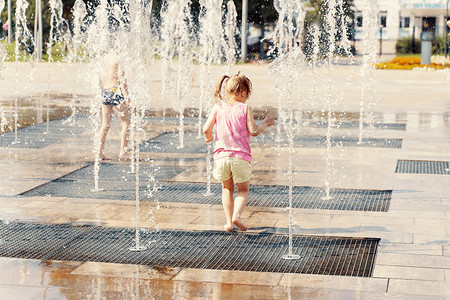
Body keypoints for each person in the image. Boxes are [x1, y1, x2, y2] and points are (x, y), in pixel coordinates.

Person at [203, 72, 275, 232]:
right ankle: (237, 215)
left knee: (227, 189)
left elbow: (206, 129)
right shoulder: (245, 108)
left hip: (221, 157)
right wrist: (264, 123)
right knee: (243, 190)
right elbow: (254, 131)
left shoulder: (217, 107)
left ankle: (229, 222)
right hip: (240, 158)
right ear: (243, 93)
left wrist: (209, 138)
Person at [98, 51, 130, 161]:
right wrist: (126, 95)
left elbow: (99, 76)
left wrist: (100, 90)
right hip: (116, 91)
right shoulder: (118, 57)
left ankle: (99, 153)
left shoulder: (105, 57)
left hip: (105, 91)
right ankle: (123, 152)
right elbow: (122, 76)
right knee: (126, 123)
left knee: (105, 125)